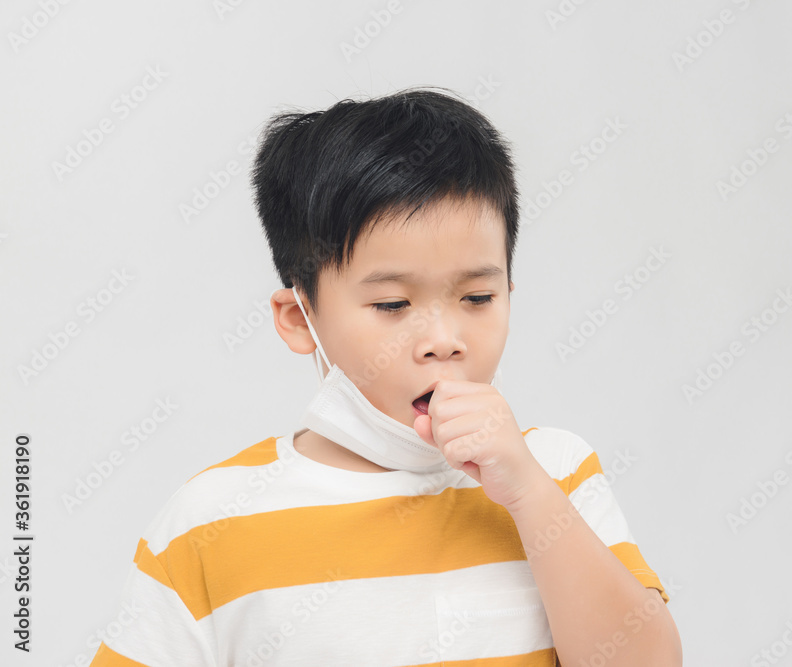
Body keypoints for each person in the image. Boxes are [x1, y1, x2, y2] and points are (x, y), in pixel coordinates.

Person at [90, 87, 682, 666]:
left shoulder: (555, 473)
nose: (444, 340)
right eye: (393, 305)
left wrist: (529, 495)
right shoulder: (210, 521)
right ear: (300, 319)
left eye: (477, 297)